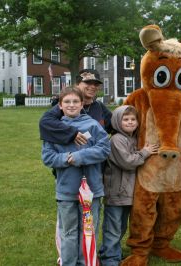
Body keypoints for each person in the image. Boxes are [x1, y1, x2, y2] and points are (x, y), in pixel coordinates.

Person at [39, 69, 113, 264]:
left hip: (92, 190)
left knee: (88, 231)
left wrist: (79, 156)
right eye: (67, 102)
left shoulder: (93, 125)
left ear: (82, 104)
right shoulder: (54, 128)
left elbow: (104, 149)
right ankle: (69, 262)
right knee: (69, 231)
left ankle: (85, 262)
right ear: (60, 106)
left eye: (75, 102)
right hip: (66, 190)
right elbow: (48, 157)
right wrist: (66, 159)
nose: (71, 105)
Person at [99, 105, 158, 266]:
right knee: (113, 226)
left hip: (127, 192)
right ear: (118, 122)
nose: (130, 122)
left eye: (133, 119)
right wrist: (145, 152)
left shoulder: (132, 138)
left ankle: (110, 251)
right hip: (116, 191)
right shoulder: (117, 139)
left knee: (121, 225)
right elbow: (128, 162)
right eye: (125, 119)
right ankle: (109, 259)